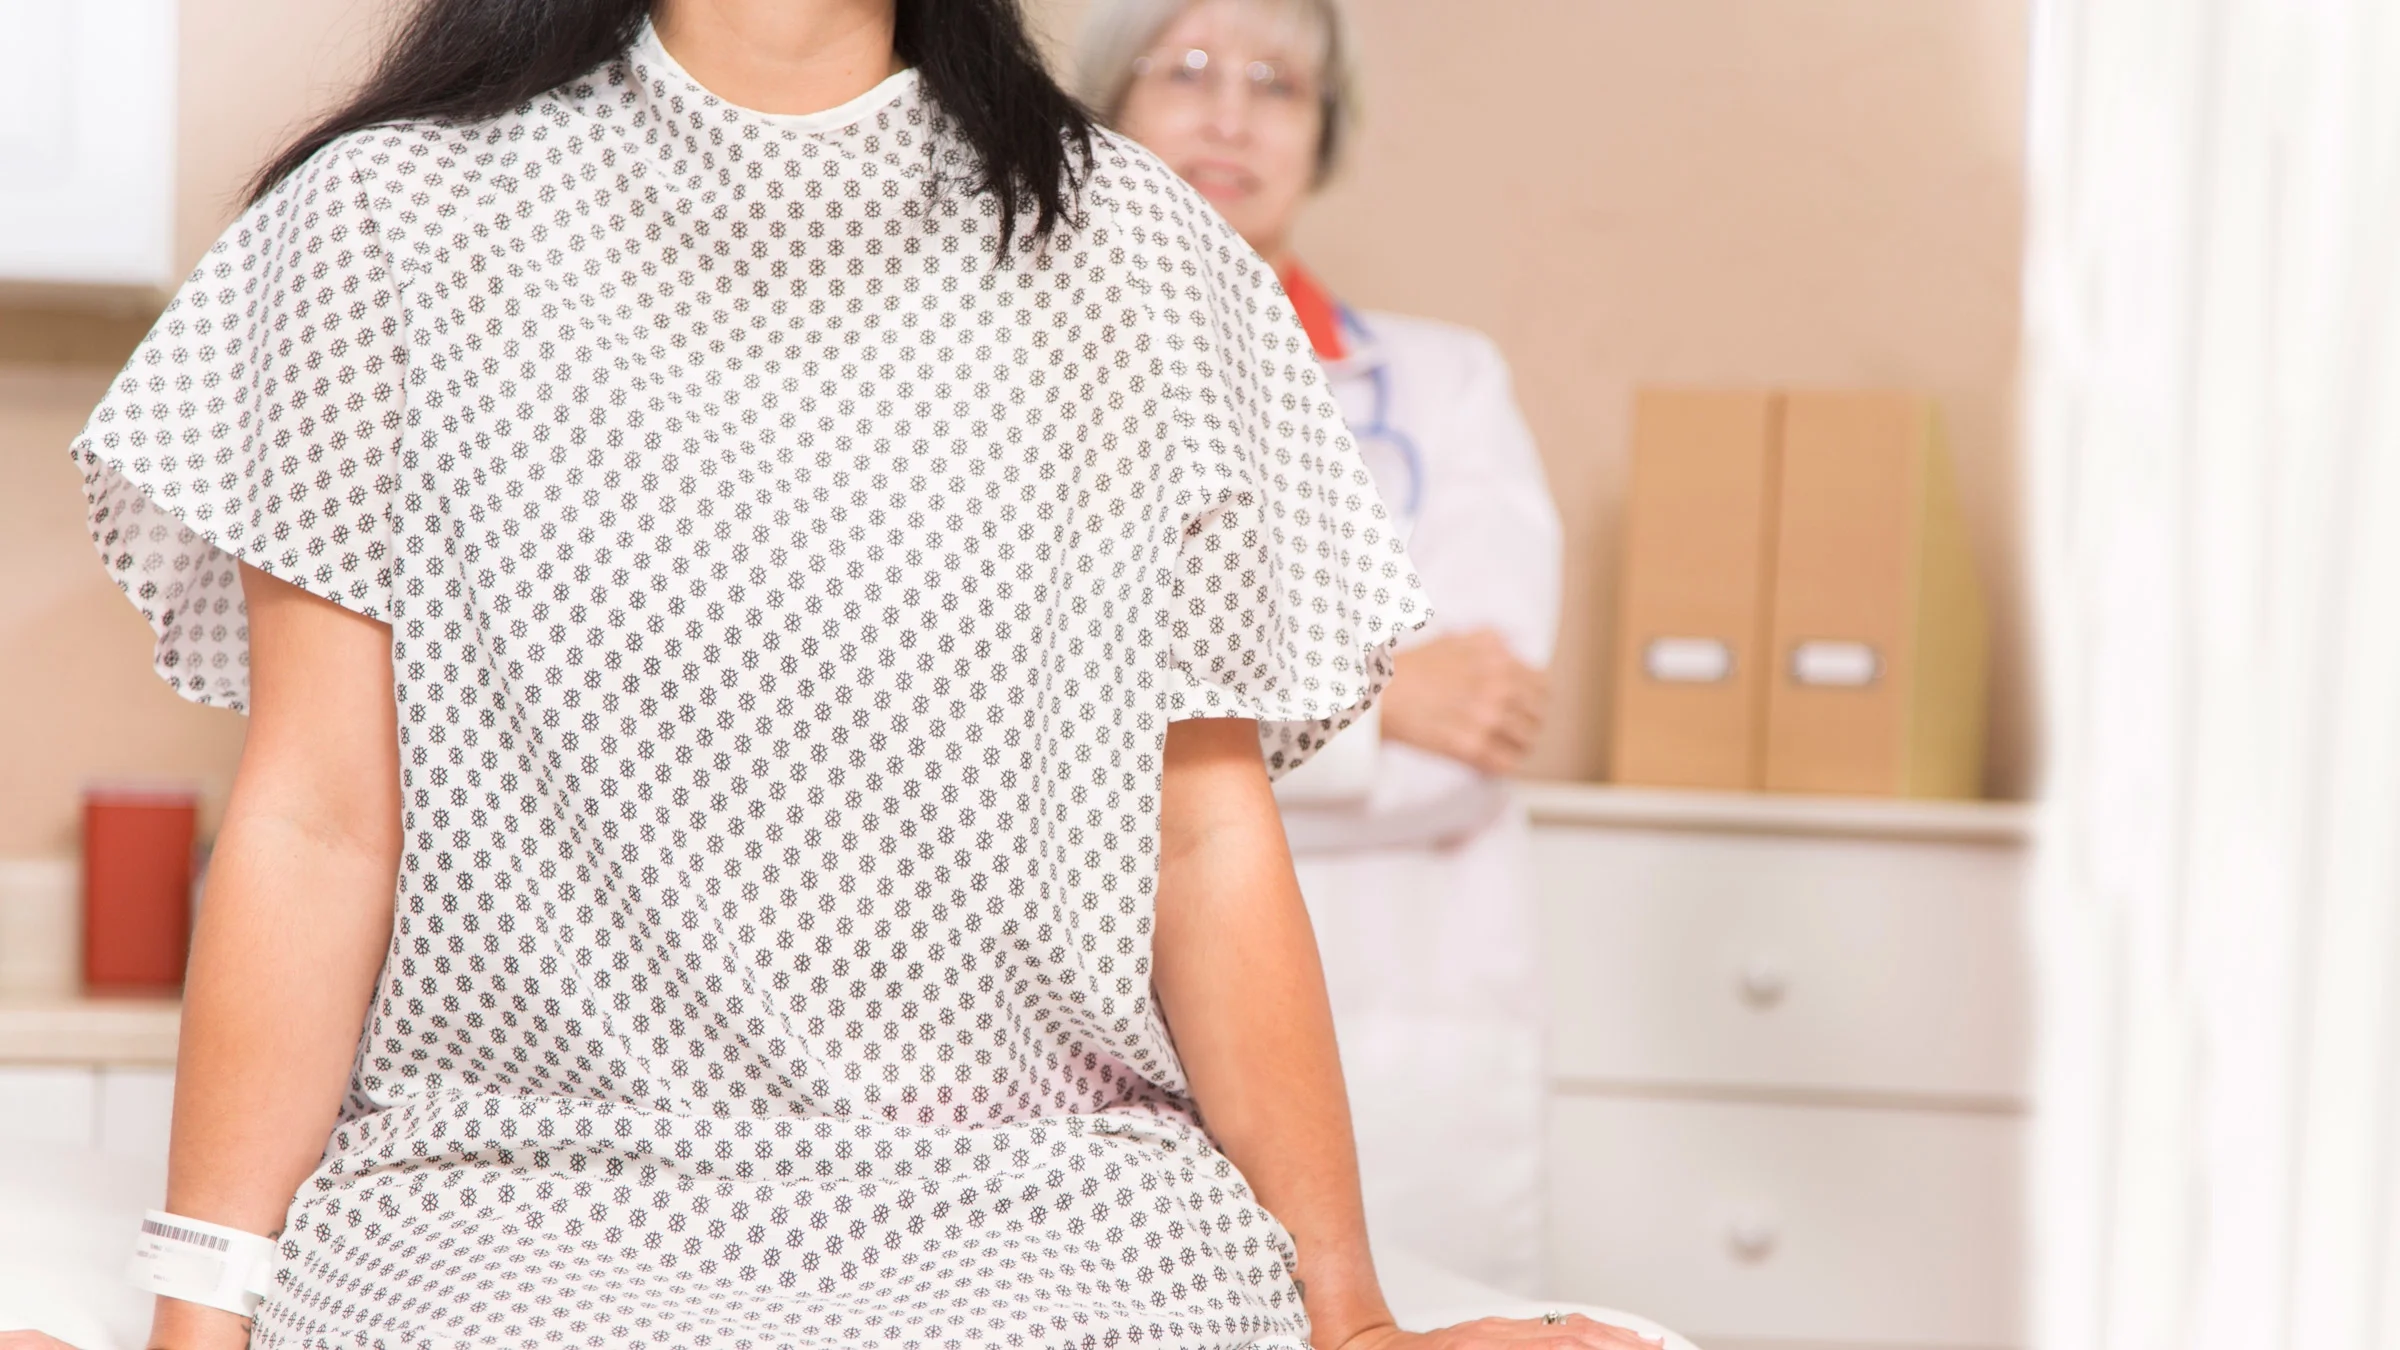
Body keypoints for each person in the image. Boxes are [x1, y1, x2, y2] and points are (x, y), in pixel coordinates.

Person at [0, 2, 1645, 1349]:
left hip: (1059, 1215)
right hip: (508, 1201)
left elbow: (1204, 837)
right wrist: (194, 1323)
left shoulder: (1138, 254)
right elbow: (315, 823)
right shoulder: (379, 228)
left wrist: (1348, 1315)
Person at [1078, 0, 1563, 1295]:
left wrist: (1171, 720)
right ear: (1108, 111)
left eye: (1278, 83)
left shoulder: (1449, 388)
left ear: (1321, 131)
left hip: (1403, 1036)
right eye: (1185, 70)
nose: (1232, 111)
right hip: (1113, 1054)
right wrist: (1377, 697)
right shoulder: (1026, 383)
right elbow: (1022, 746)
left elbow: (1474, 731)